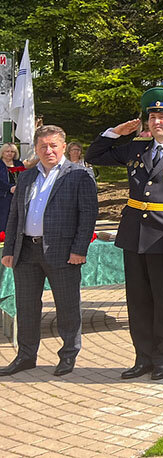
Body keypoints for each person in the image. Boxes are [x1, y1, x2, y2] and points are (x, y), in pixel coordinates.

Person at [85, 87, 163, 380]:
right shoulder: (136, 147)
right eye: (153, 117)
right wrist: (117, 132)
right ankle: (142, 357)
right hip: (134, 233)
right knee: (138, 299)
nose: (157, 122)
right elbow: (95, 155)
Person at [0, 126, 98, 377]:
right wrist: (9, 249)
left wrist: (79, 249)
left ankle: (68, 355)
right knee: (26, 307)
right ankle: (26, 356)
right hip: (26, 252)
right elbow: (14, 216)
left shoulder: (79, 174)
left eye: (53, 145)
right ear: (36, 148)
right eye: (43, 146)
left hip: (63, 252)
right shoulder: (27, 177)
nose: (48, 150)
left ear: (63, 147)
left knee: (67, 307)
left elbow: (88, 215)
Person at [0, 143, 25, 236]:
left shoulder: (19, 164)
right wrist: (9, 188)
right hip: (3, 196)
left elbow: (24, 177)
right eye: (7, 151)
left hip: (19, 195)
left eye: (12, 152)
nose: (10, 154)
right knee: (4, 218)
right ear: (2, 153)